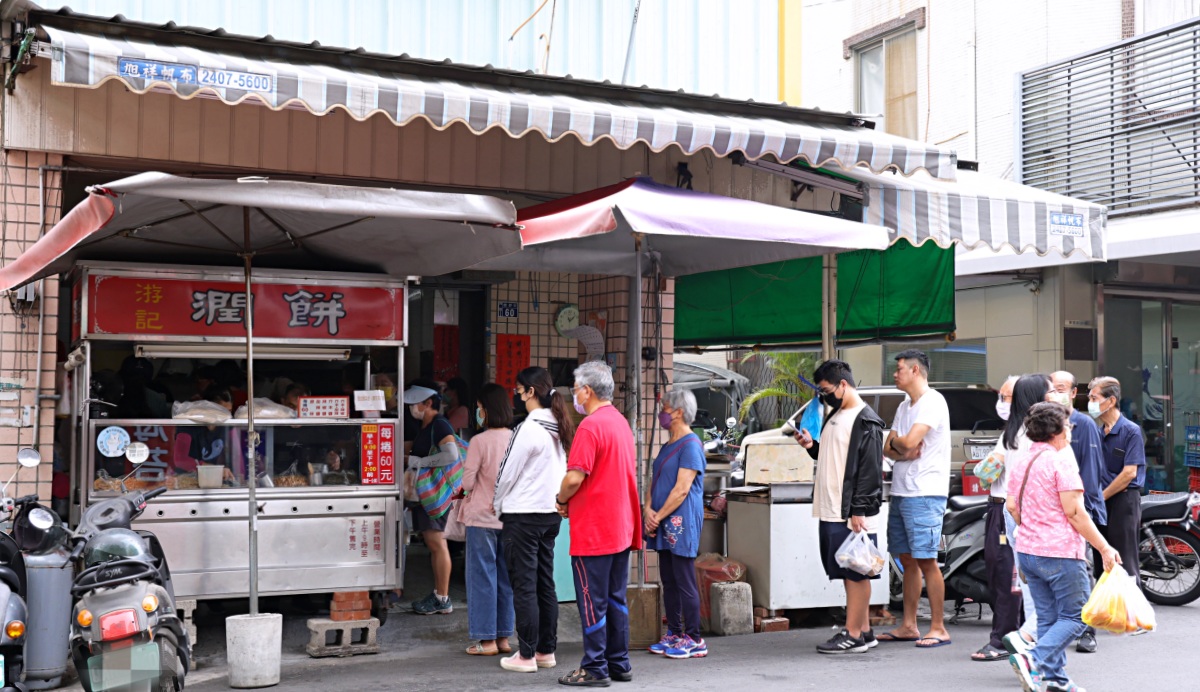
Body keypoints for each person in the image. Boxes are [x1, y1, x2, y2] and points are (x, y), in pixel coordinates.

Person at [1006, 402, 1121, 692]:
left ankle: (1055, 679)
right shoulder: (1061, 462)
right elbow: (1076, 513)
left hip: (1028, 551)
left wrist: (1033, 528)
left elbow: (1012, 507)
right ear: (1057, 430)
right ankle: (1034, 658)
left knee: (1048, 617)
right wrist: (1105, 547)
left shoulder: (1022, 461)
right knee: (1080, 615)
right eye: (1067, 425)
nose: (1070, 430)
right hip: (1059, 553)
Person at [555, 361, 641, 686]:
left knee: (592, 600)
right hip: (620, 528)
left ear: (587, 391)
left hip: (595, 532)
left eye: (576, 388)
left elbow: (574, 478)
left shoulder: (590, 427)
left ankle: (594, 667)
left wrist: (561, 500)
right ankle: (619, 663)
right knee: (615, 598)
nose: (574, 395)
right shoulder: (620, 423)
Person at [794, 360, 885, 655]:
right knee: (851, 570)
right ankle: (865, 631)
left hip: (850, 511)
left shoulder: (866, 419)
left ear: (843, 385)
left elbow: (870, 470)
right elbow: (835, 456)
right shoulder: (836, 414)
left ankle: (853, 633)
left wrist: (859, 509)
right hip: (834, 507)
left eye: (826, 390)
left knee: (856, 571)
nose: (823, 395)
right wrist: (811, 446)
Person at [492, 367, 574, 674]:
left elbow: (507, 472)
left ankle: (525, 655)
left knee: (524, 586)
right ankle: (544, 651)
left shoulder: (528, 428)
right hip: (550, 515)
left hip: (523, 517)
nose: (515, 395)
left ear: (530, 392)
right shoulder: (560, 426)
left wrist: (497, 504)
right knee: (544, 584)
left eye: (518, 389)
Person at [880, 350, 952, 649]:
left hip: (925, 492)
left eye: (899, 369)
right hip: (901, 490)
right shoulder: (904, 406)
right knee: (906, 559)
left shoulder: (932, 402)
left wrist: (903, 447)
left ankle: (938, 627)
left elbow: (907, 443)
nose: (895, 374)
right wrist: (902, 448)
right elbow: (888, 447)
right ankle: (909, 625)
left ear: (915, 370)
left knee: (926, 560)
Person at [985, 375, 1053, 659]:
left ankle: (1031, 647)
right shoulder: (1033, 435)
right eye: (1049, 392)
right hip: (1028, 516)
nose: (1054, 396)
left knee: (1029, 587)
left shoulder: (1013, 432)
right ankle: (1027, 641)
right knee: (1043, 593)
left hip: (1013, 513)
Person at [645, 390, 708, 659]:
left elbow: (682, 490)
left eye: (665, 408)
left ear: (679, 412)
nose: (662, 412)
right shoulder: (668, 444)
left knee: (683, 580)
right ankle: (674, 633)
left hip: (680, 522)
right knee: (669, 580)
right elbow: (656, 480)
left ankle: (694, 638)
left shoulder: (691, 445)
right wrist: (648, 508)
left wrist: (656, 516)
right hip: (661, 521)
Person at [1049, 370, 1108, 654]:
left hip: (1076, 513)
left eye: (1061, 388)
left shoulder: (1083, 424)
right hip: (1051, 516)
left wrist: (1087, 513)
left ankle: (1088, 631)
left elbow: (1091, 473)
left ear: (1073, 393)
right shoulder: (1043, 423)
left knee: (1082, 574)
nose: (1056, 392)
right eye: (1052, 387)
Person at [459, 383, 515, 657]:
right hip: (512, 517)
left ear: (487, 409)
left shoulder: (479, 441)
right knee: (506, 578)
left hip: (482, 517)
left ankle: (486, 640)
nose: (478, 412)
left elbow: (468, 482)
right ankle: (504, 637)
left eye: (479, 407)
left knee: (483, 577)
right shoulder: (517, 438)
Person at [971, 375, 1022, 662]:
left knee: (1005, 577)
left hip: (1007, 510)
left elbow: (987, 471)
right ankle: (1018, 635)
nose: (1000, 403)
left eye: (1006, 397)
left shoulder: (1020, 432)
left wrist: (986, 467)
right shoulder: (1013, 430)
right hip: (1002, 507)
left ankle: (1004, 639)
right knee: (1006, 575)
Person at [405, 381, 459, 615]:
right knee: (433, 543)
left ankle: (442, 598)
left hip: (435, 494)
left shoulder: (440, 424)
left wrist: (420, 463)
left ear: (428, 403)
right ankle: (439, 594)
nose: (411, 408)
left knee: (437, 543)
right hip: (426, 494)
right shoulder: (427, 426)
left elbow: (451, 455)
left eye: (414, 404)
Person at [1088, 376, 1145, 586]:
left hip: (1122, 502)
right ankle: (1105, 614)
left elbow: (1129, 473)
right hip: (1099, 502)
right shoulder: (1095, 431)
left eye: (1094, 398)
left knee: (1124, 562)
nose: (1091, 403)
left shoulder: (1130, 431)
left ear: (1110, 401)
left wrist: (1101, 497)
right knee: (1101, 560)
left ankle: (1132, 616)